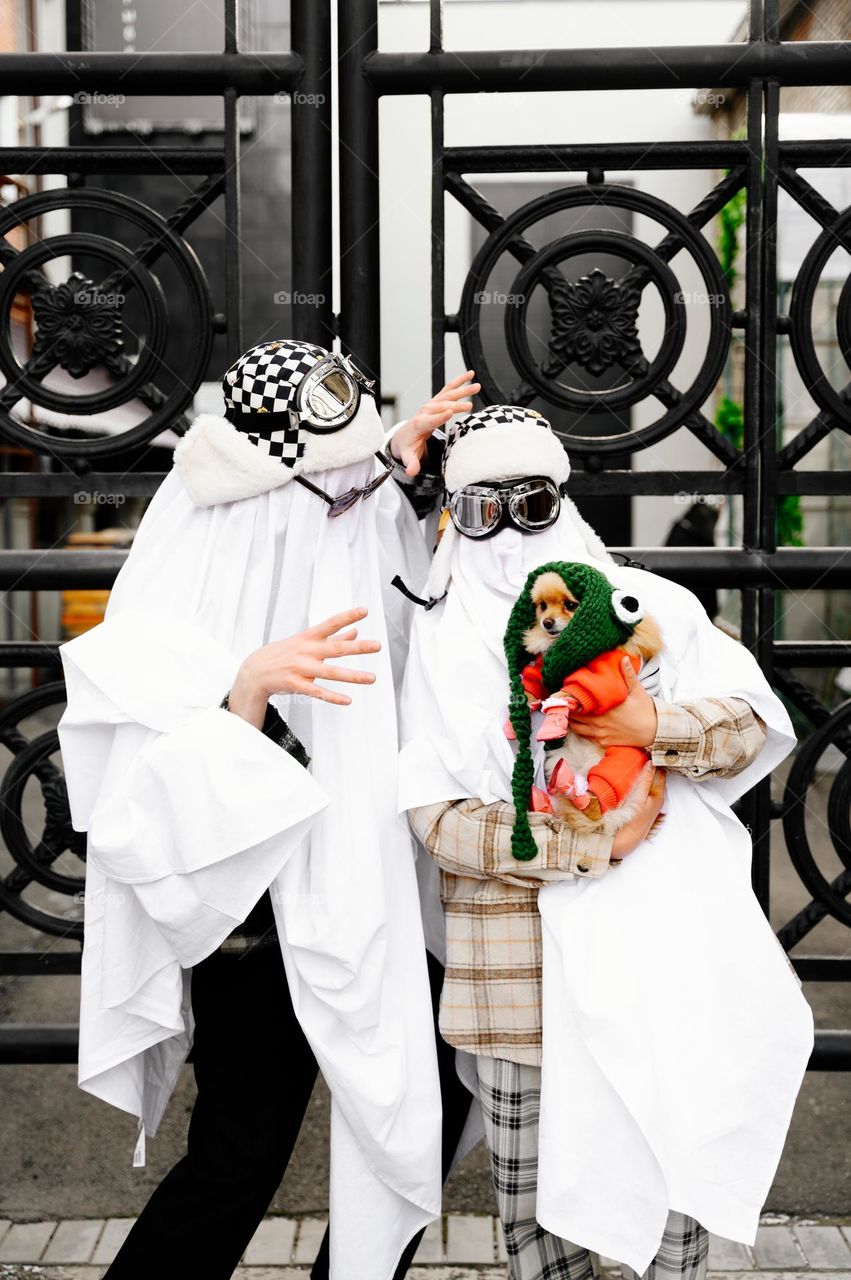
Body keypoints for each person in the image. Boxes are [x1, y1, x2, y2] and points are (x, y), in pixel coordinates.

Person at [56, 339, 479, 1280]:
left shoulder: (344, 504)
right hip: (253, 913)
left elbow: (364, 515)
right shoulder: (199, 557)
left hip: (378, 876)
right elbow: (130, 775)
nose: (358, 508)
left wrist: (395, 447)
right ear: (274, 483)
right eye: (337, 490)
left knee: (429, 1101)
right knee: (240, 1156)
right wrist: (241, 691)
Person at [395, 405, 813, 1280]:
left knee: (671, 1191)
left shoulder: (645, 605)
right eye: (481, 508)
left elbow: (746, 726)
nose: (508, 531)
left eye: (533, 503)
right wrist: (588, 845)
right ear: (452, 516)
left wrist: (645, 721)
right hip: (513, 975)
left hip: (660, 956)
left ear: (563, 501)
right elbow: (431, 818)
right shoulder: (430, 641)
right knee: (535, 1223)